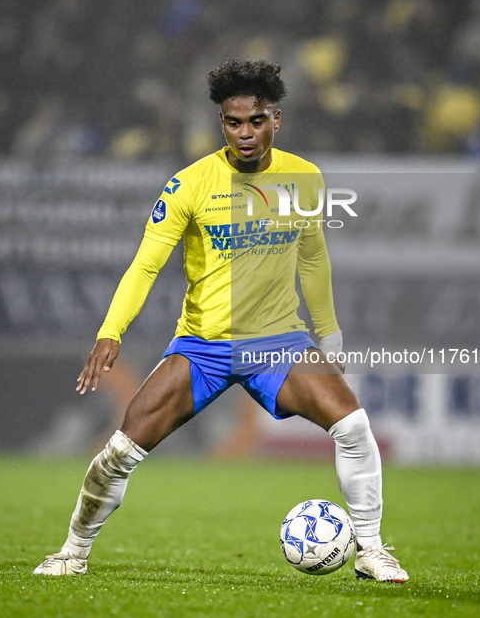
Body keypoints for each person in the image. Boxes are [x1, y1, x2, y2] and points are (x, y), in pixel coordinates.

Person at [34, 59, 408, 583]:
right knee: (120, 450)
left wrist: (330, 333)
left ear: (276, 118)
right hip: (203, 347)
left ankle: (370, 550)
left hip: (278, 343)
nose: (245, 133)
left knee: (353, 426)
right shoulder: (190, 184)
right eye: (234, 123)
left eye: (256, 121)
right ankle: (72, 551)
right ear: (222, 124)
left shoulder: (304, 178)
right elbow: (145, 264)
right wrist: (109, 332)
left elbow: (313, 259)